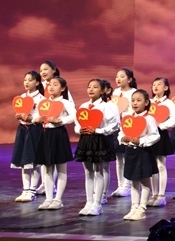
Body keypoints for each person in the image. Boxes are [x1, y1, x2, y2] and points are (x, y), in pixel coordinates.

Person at [74, 79, 119, 216]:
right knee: (88, 172)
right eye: (89, 87)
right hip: (86, 140)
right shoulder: (84, 106)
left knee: (98, 172)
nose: (91, 89)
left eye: (95, 87)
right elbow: (77, 122)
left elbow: (115, 124)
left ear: (102, 90)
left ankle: (97, 204)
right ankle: (89, 202)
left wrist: (99, 131)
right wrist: (79, 129)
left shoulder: (106, 106)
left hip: (99, 140)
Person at [33, 76, 75, 210]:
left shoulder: (65, 102)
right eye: (50, 84)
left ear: (62, 88)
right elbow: (36, 115)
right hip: (45, 134)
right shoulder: (43, 102)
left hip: (58, 135)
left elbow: (74, 115)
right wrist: (36, 119)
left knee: (61, 168)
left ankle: (58, 199)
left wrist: (60, 120)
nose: (51, 87)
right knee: (47, 168)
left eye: (55, 84)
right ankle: (48, 199)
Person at [120, 89, 160, 221]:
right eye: (133, 100)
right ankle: (134, 207)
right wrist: (122, 138)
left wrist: (141, 141)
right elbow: (121, 132)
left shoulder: (149, 119)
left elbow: (155, 135)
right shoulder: (128, 118)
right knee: (133, 181)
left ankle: (142, 209)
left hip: (143, 152)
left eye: (139, 100)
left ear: (146, 102)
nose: (135, 103)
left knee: (144, 181)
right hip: (130, 152)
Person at [11, 71, 45, 202]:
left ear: (37, 82)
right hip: (23, 130)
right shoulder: (22, 97)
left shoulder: (41, 99)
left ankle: (32, 190)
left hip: (34, 130)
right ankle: (25, 190)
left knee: (34, 162)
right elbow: (20, 111)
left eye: (30, 80)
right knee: (23, 161)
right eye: (25, 80)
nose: (26, 82)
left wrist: (31, 118)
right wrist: (19, 116)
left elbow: (42, 116)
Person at [148, 77, 175, 207]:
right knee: (152, 165)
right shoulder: (149, 102)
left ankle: (161, 195)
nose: (155, 87)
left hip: (161, 134)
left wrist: (161, 125)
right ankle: (154, 194)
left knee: (160, 165)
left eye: (159, 84)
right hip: (149, 135)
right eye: (154, 85)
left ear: (166, 88)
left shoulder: (169, 103)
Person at [111, 68, 138, 197]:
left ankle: (127, 185)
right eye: (117, 76)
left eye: (122, 76)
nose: (118, 79)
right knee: (119, 157)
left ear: (129, 79)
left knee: (127, 157)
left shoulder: (134, 93)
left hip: (129, 127)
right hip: (117, 128)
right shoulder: (115, 92)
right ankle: (120, 185)